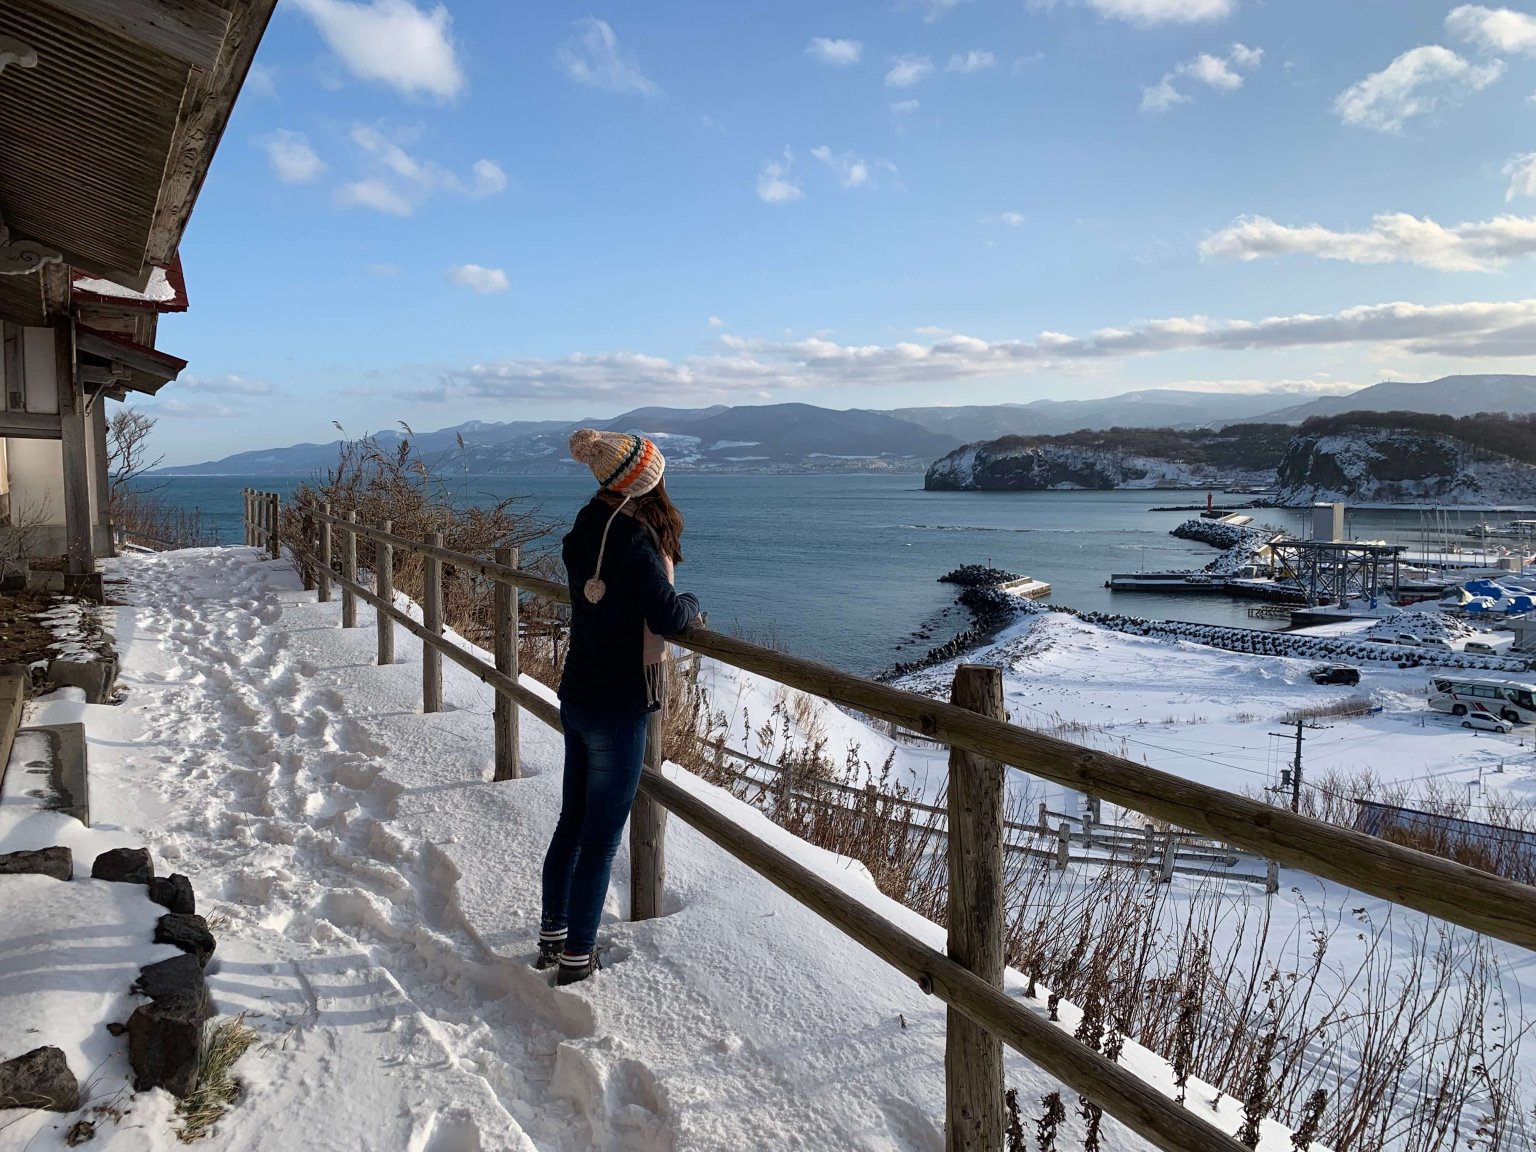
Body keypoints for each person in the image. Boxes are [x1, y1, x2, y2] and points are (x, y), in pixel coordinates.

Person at [537, 428, 702, 985]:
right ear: (644, 480)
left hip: (578, 692)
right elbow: (667, 617)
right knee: (602, 838)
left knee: (572, 822)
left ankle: (554, 935)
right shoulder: (633, 539)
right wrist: (693, 603)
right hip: (620, 702)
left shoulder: (584, 527)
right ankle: (578, 958)